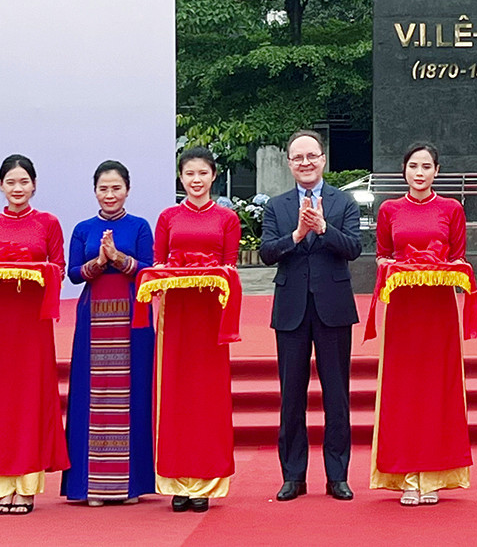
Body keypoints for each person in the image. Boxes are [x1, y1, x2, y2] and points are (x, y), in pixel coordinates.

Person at [260, 130, 363, 502]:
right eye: (298, 157)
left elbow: (354, 247)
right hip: (291, 310)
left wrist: (323, 228)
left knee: (337, 395)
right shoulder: (277, 206)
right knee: (291, 396)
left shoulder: (344, 202)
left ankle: (337, 475)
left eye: (311, 156)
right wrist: (298, 234)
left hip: (333, 308)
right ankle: (293, 475)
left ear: (323, 159)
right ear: (289, 163)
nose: (305, 163)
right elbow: (268, 251)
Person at [369, 143, 475, 505]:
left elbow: (459, 258)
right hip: (402, 309)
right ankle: (404, 475)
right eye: (413, 165)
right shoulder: (389, 209)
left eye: (426, 166)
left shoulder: (452, 209)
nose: (419, 172)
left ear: (437, 171)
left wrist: (439, 269)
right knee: (403, 390)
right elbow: (383, 255)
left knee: (438, 387)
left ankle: (433, 475)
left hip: (438, 309)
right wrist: (397, 268)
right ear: (404, 170)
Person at [0, 155, 68, 514]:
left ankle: (27, 486)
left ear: (34, 185)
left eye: (24, 182)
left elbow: (58, 269)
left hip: (33, 318)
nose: (17, 189)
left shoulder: (48, 223)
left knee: (31, 395)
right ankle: (0, 486)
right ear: (1, 185)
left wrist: (33, 269)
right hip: (0, 318)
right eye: (10, 183)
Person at [151, 146, 242, 512]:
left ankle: (206, 481)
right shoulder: (168, 217)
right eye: (189, 174)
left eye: (202, 173)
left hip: (210, 313)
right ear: (181, 177)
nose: (196, 180)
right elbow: (157, 265)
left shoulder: (227, 219)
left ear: (213, 176)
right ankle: (175, 479)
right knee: (174, 392)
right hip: (176, 312)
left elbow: (231, 269)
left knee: (208, 394)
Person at [63, 159, 155, 504]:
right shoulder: (83, 229)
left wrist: (118, 259)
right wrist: (99, 263)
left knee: (135, 393)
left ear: (127, 190)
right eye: (104, 188)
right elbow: (72, 273)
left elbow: (149, 269)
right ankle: (92, 485)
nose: (110, 194)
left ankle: (132, 485)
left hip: (134, 317)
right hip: (93, 318)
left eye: (116, 188)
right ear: (95, 191)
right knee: (93, 396)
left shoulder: (140, 226)